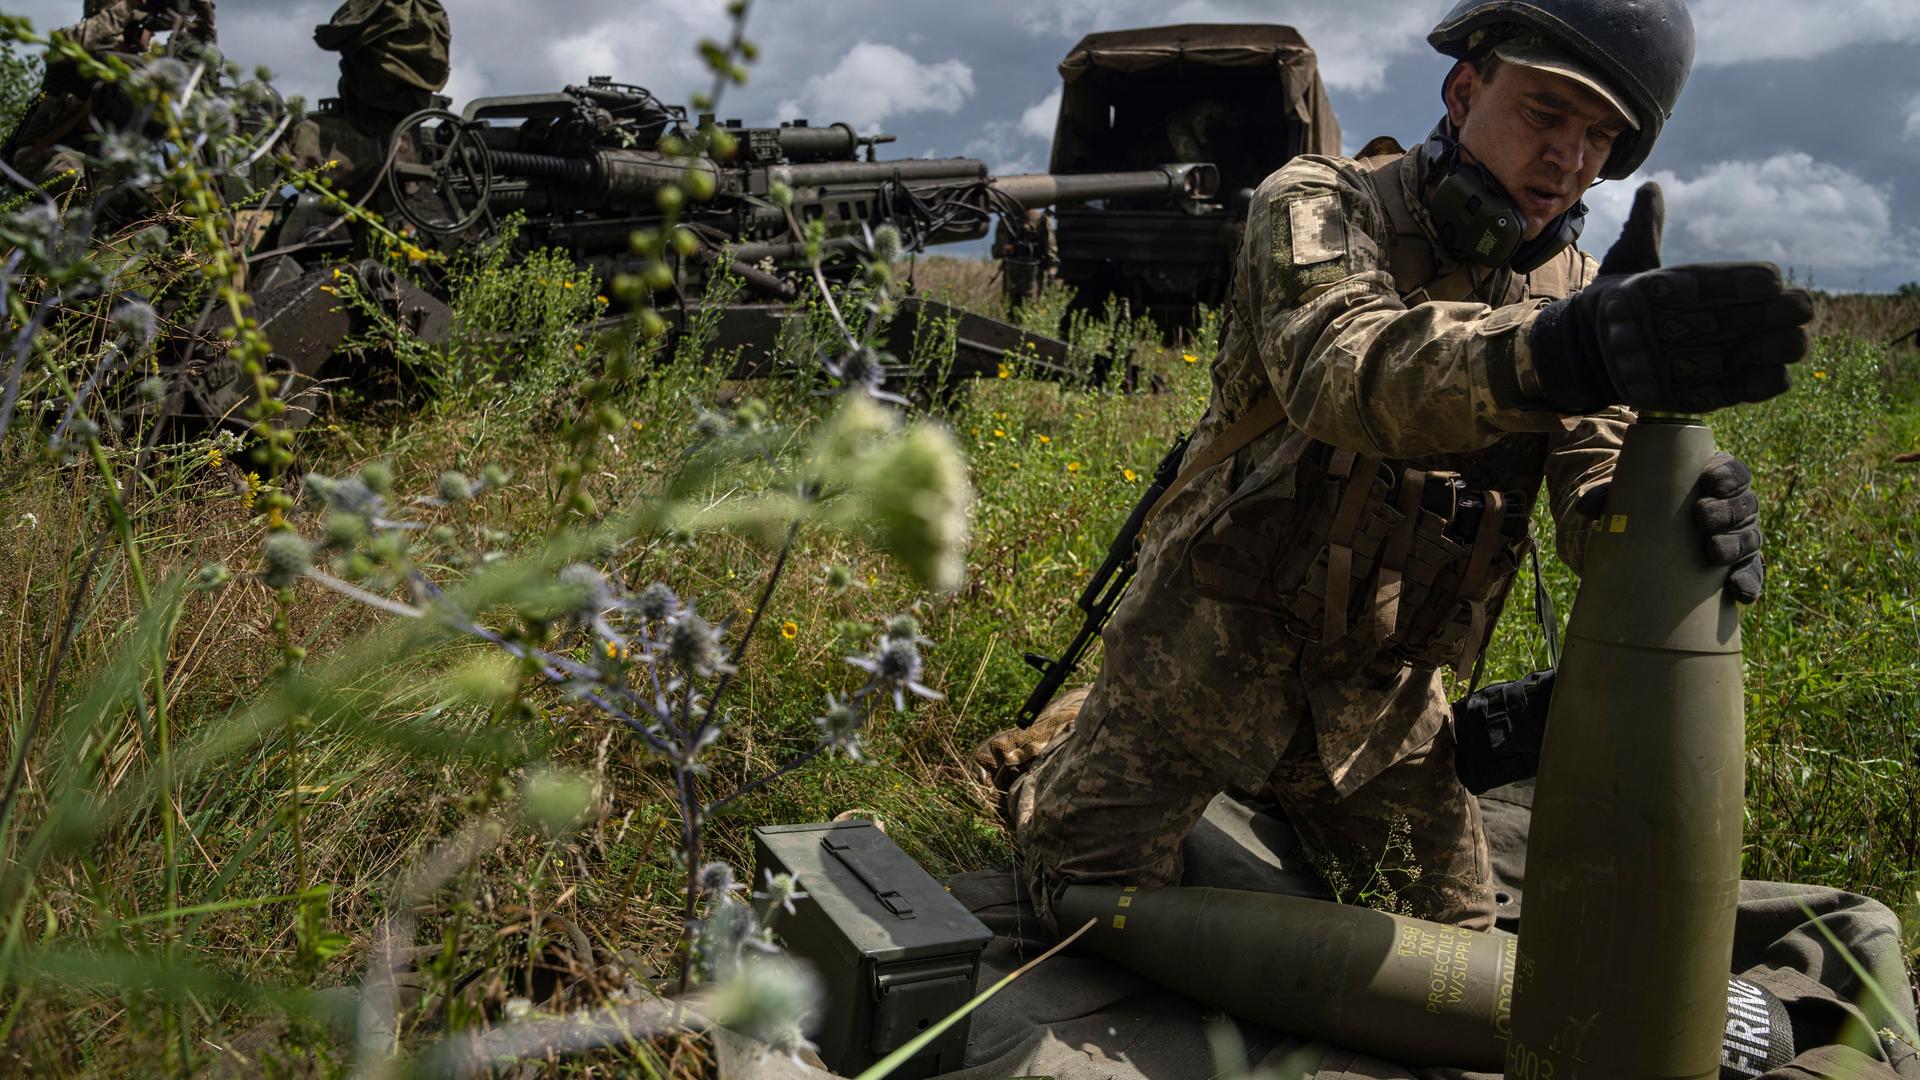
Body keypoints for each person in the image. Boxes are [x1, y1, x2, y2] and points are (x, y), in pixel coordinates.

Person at [993, 0, 1812, 933]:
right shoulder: (1317, 202)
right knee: (1082, 905)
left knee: (1457, 952)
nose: (1568, 157)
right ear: (1463, 93)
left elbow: (1597, 506)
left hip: (1378, 715)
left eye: (1599, 136)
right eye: (1544, 113)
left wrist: (1681, 518)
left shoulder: (1580, 300)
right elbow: (1346, 369)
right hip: (1200, 657)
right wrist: (1556, 352)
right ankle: (1066, 752)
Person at [1, 0, 216, 193]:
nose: (151, 34)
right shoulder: (71, 55)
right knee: (82, 179)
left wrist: (204, 17)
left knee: (174, 191)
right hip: (43, 161)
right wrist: (131, 7)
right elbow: (77, 41)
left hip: (103, 168)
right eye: (146, 27)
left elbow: (197, 71)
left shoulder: (134, 70)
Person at [285, 0, 450, 198]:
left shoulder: (393, 10)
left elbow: (331, 35)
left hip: (373, 141)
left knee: (302, 138)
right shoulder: (430, 13)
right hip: (395, 138)